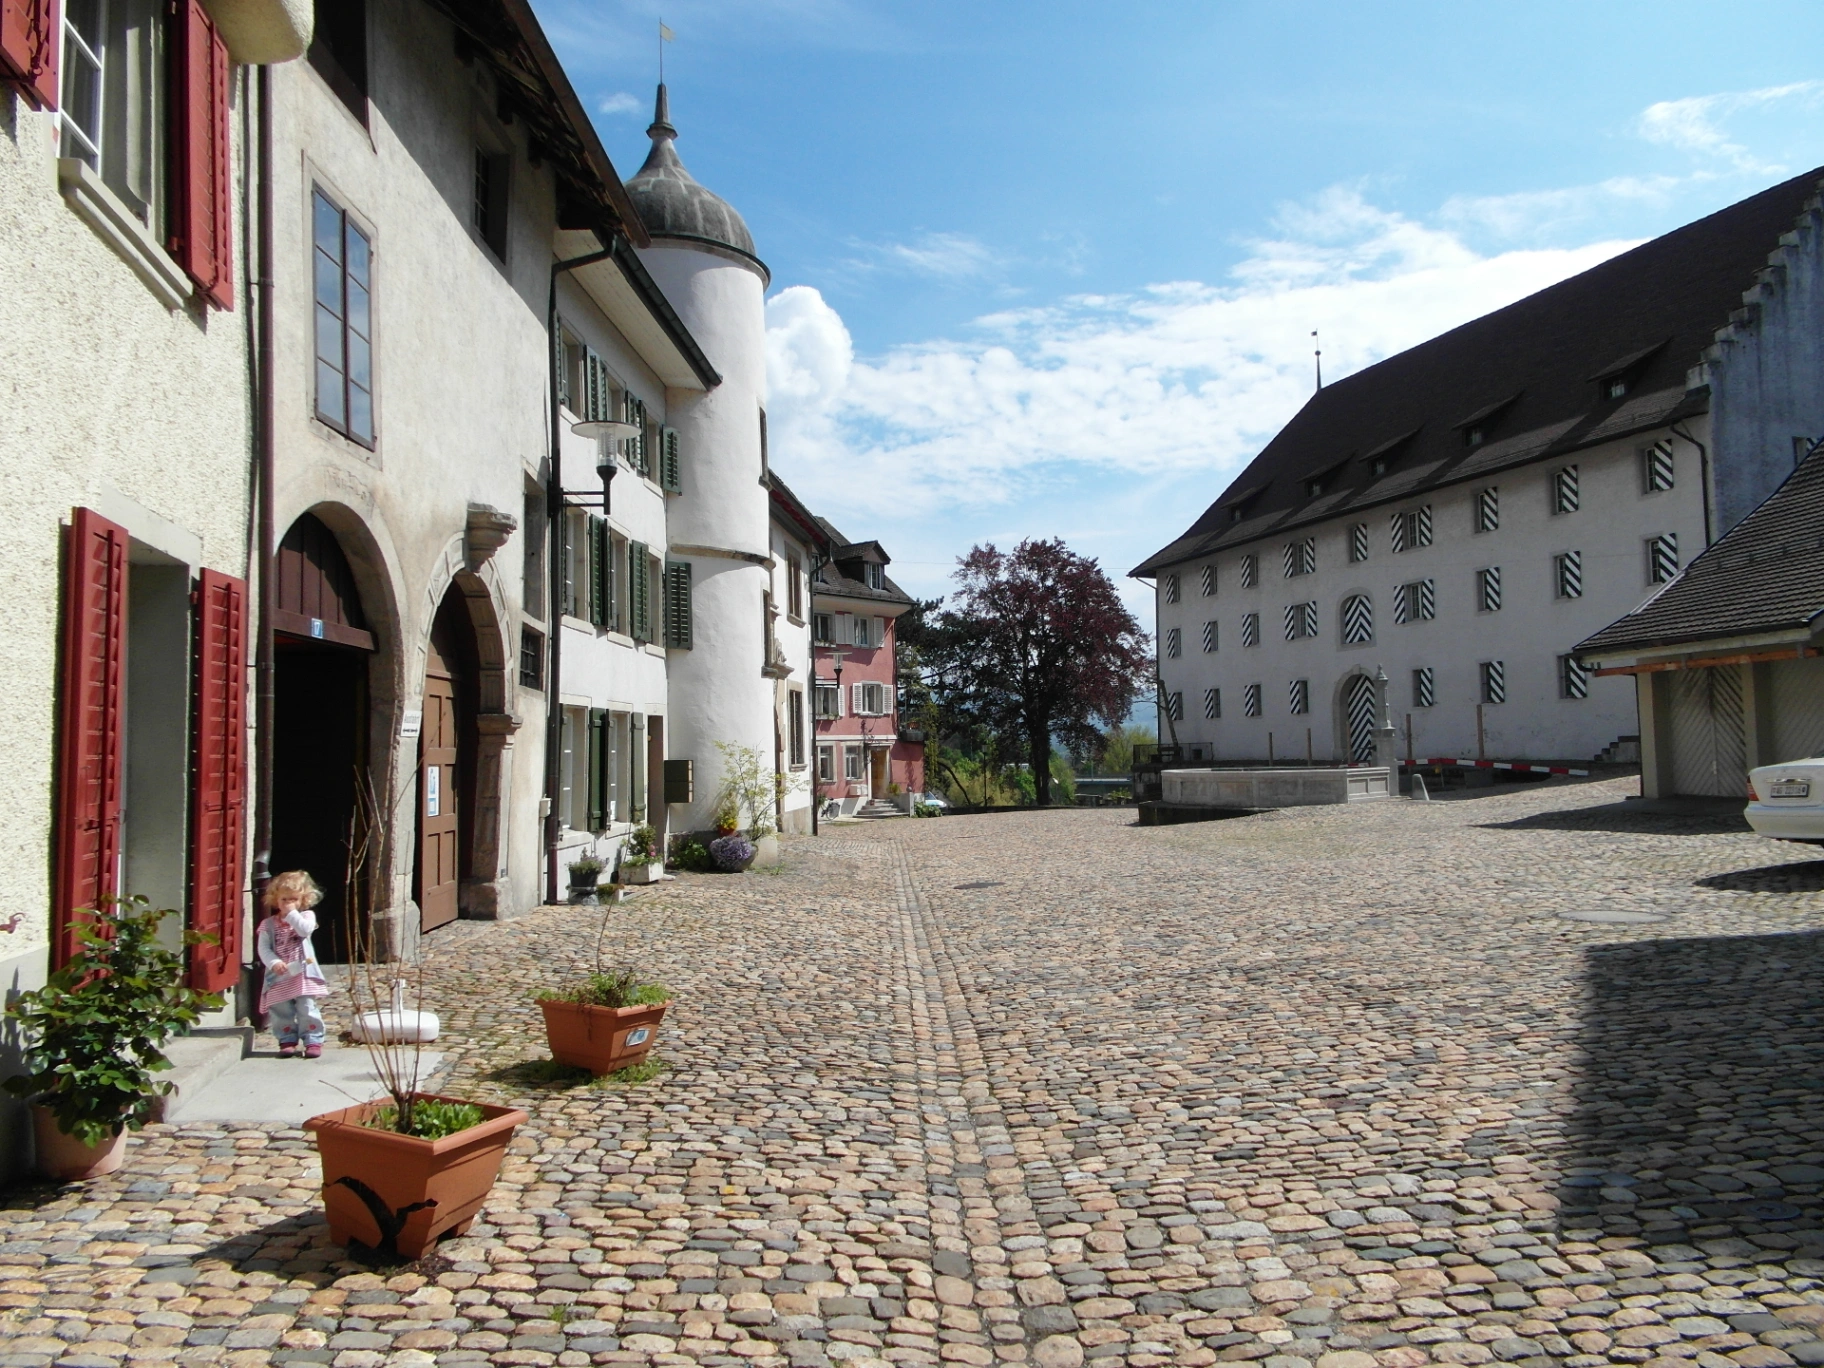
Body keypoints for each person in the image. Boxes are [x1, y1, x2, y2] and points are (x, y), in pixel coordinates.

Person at [257, 870, 330, 1058]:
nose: (288, 904)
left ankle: (313, 1039)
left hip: (302, 972)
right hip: (279, 975)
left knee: (306, 1007)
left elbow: (304, 931)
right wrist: (273, 962)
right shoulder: (268, 925)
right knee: (281, 1008)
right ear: (276, 899)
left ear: (303, 899)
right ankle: (286, 1039)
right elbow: (263, 948)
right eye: (284, 900)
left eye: (293, 899)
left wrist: (292, 914)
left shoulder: (306, 917)